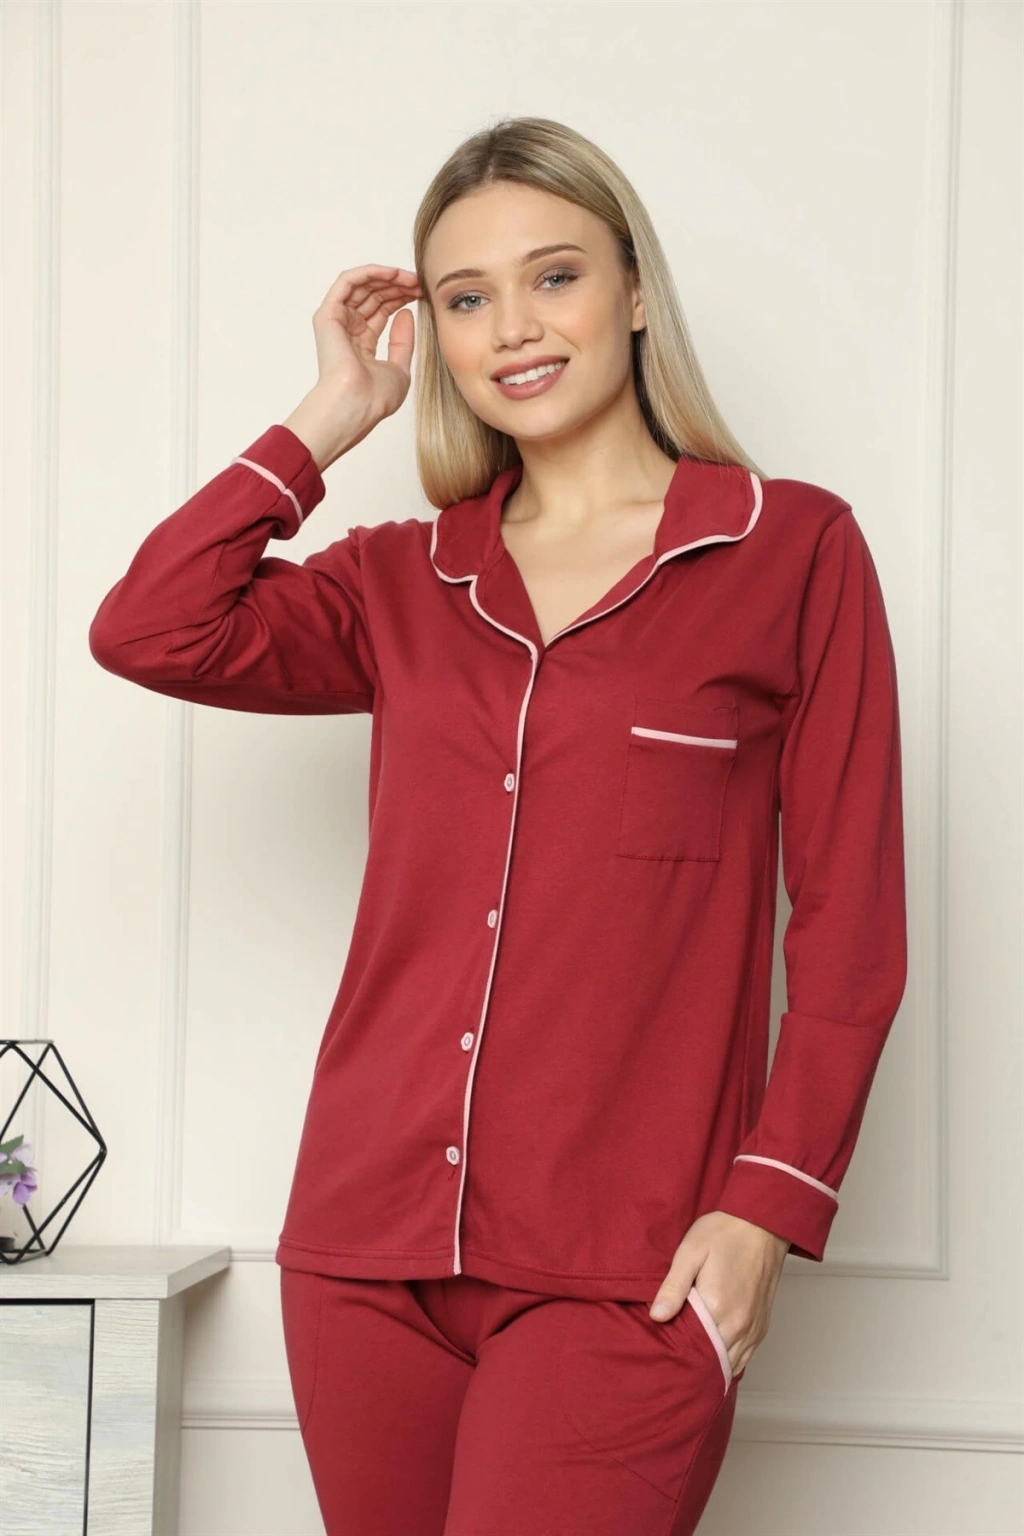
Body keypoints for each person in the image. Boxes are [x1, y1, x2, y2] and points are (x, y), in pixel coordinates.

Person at [88, 116, 907, 1535]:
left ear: (635, 291)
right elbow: (150, 628)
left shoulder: (791, 551)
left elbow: (852, 925)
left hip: (631, 1264)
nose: (513, 327)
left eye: (555, 277)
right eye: (466, 298)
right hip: (365, 1251)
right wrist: (330, 414)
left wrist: (768, 1210)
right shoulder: (401, 582)